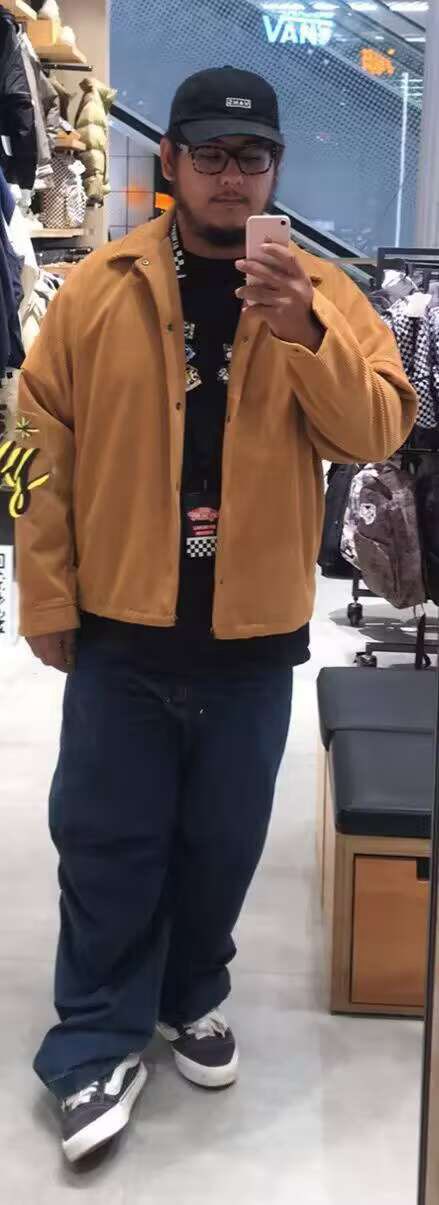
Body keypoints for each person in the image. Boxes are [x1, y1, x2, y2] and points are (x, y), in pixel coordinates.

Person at [15, 65, 417, 1165]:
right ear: (173, 161)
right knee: (106, 838)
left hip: (249, 635)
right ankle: (93, 1038)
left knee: (222, 841)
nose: (231, 176)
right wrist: (42, 588)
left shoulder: (324, 294)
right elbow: (27, 447)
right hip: (121, 625)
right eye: (210, 154)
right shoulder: (96, 289)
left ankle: (190, 990)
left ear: (275, 169)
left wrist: (304, 332)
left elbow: (378, 432)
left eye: (252, 157)